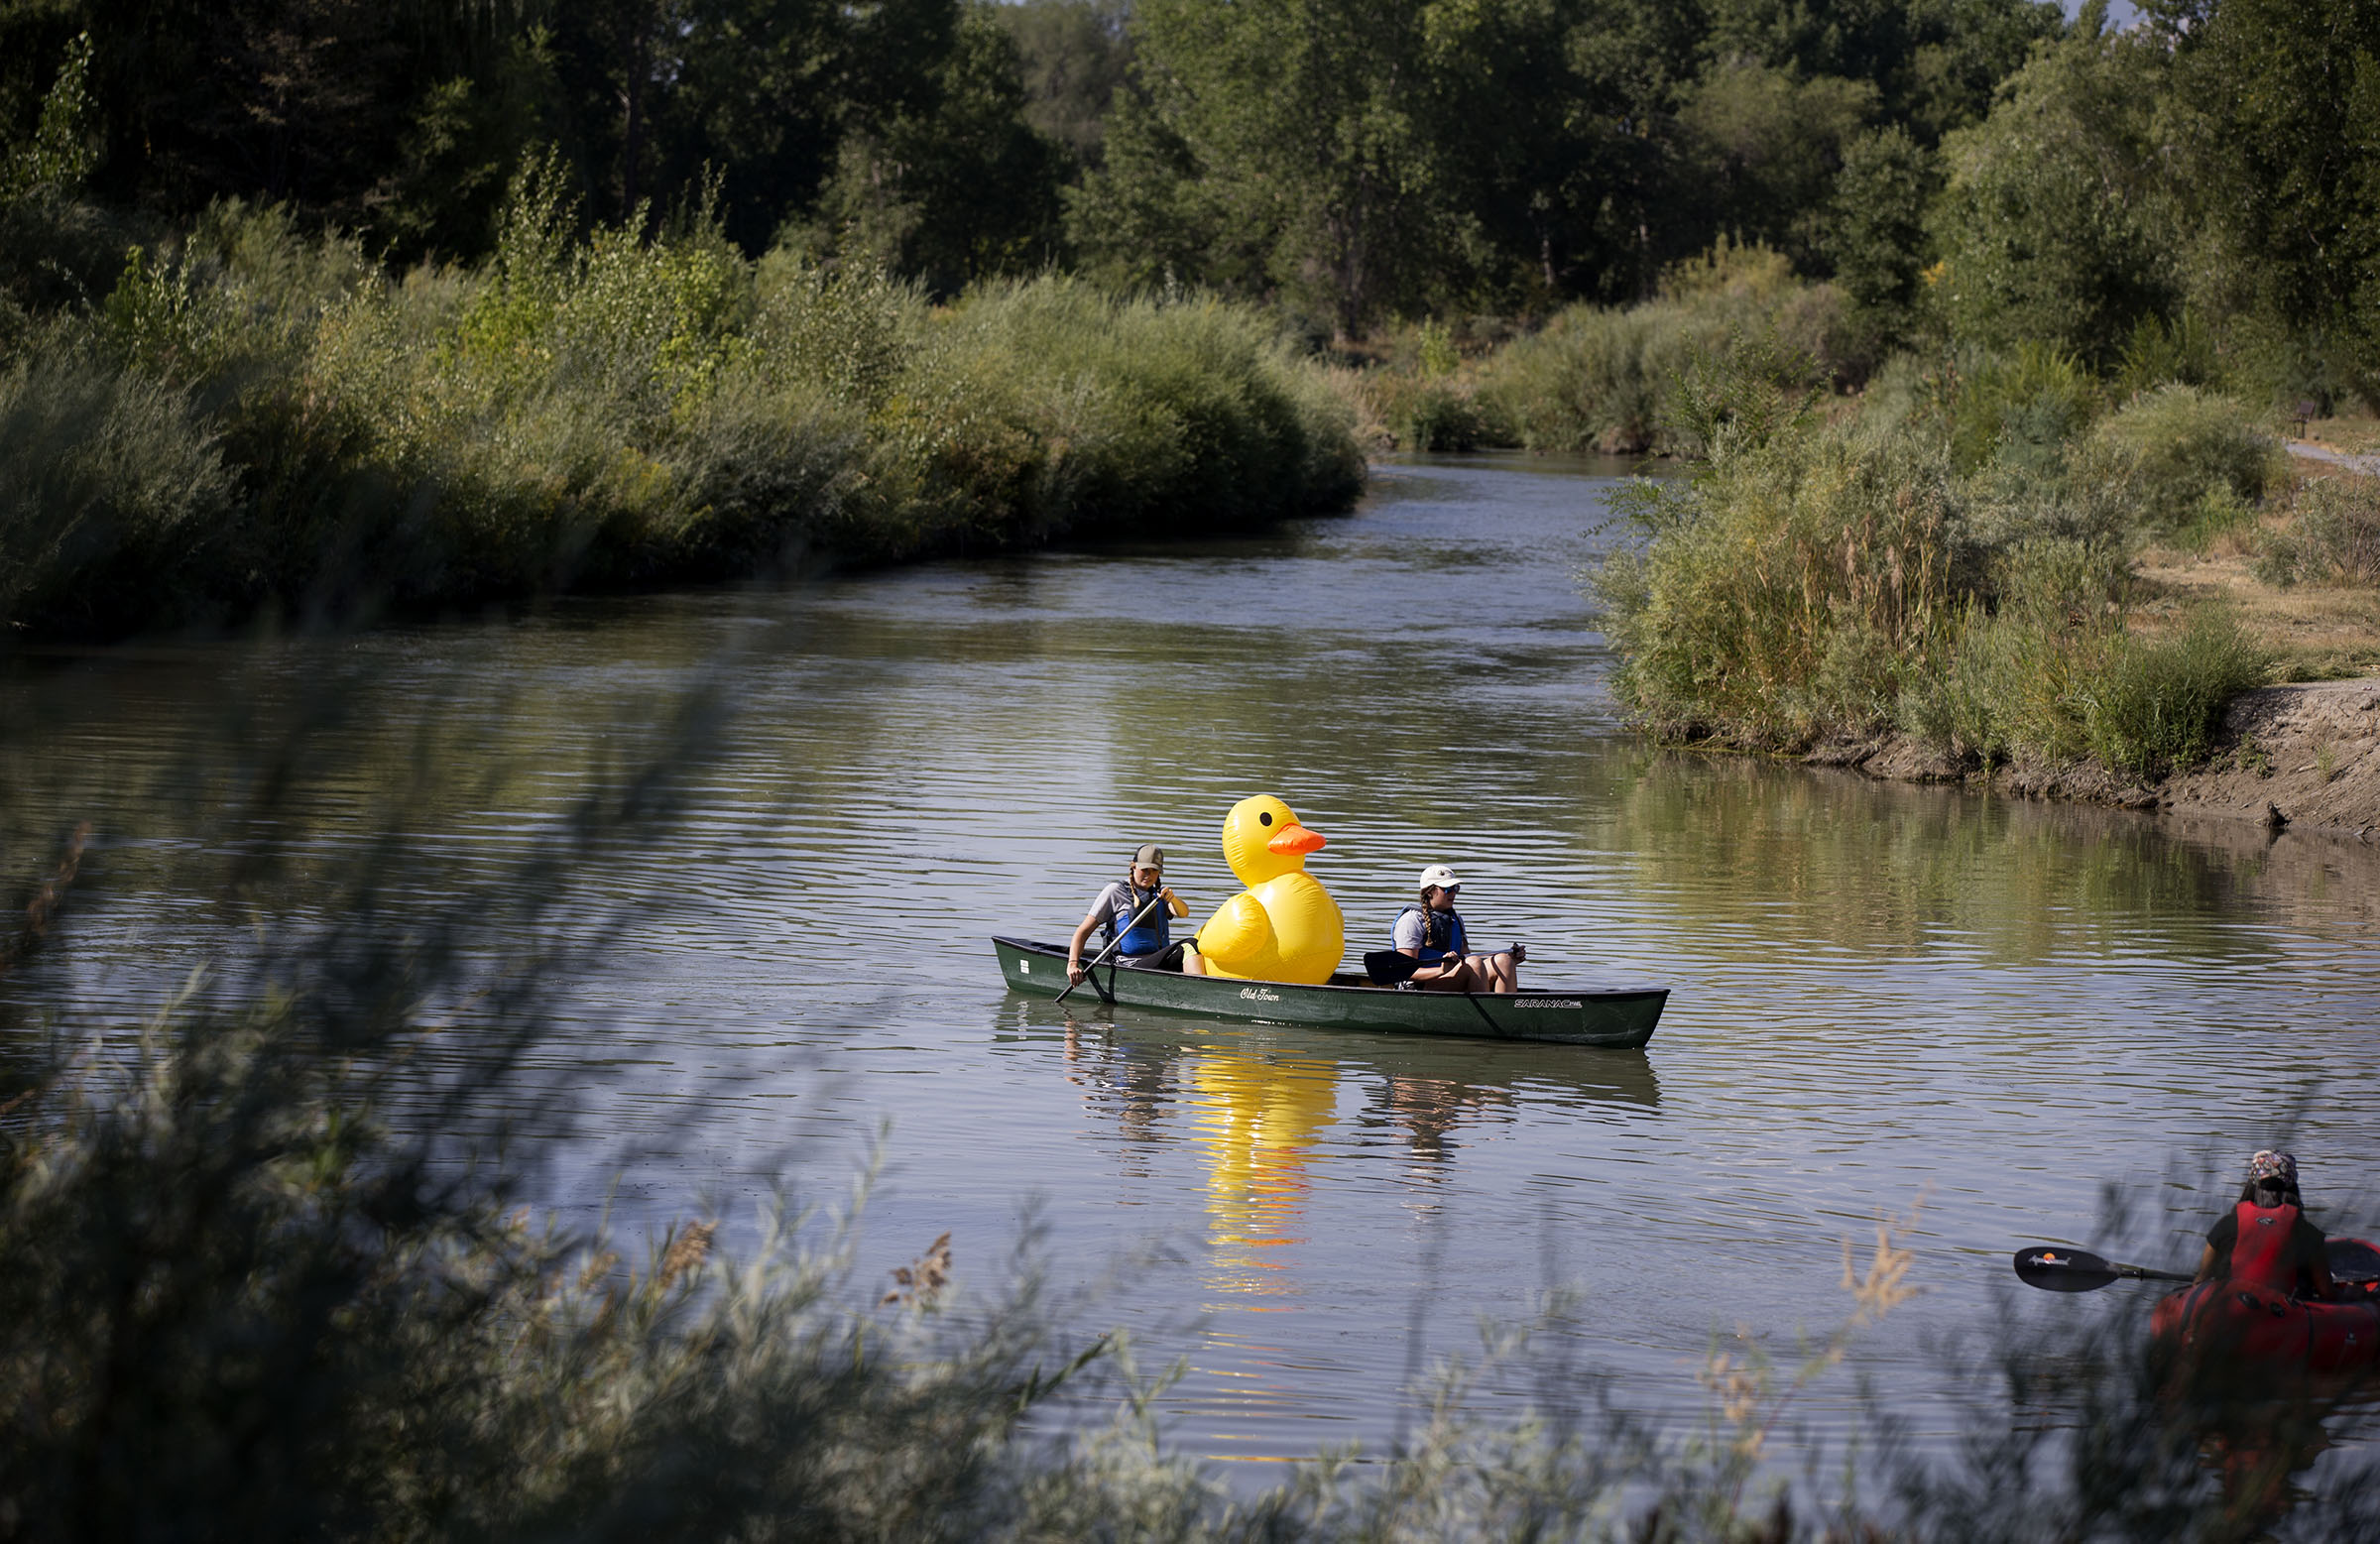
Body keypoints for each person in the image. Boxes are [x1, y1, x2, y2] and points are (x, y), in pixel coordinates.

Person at [2193, 1150, 2334, 1301]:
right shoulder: (2307, 1233)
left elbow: (2200, 1282)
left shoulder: (2226, 1226)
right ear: (2293, 1188)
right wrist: (2351, 1294)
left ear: (2252, 1185)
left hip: (2230, 1310)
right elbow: (2327, 1294)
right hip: (2284, 1315)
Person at [1364, 864, 1524, 993]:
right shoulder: (1411, 921)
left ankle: (1507, 1014)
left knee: (1504, 960)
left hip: (1448, 977)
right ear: (1430, 891)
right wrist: (1441, 970)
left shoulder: (1456, 919)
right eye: (1447, 889)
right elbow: (1406, 972)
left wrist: (1513, 960)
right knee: (1474, 963)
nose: (1453, 893)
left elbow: (1467, 959)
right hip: (1419, 987)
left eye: (1455, 888)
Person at [1068, 844, 1200, 983]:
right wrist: (1072, 964)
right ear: (1133, 866)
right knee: (1188, 945)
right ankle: (1202, 989)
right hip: (1129, 964)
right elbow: (1082, 932)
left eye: (1154, 871)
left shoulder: (1160, 895)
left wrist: (1173, 899)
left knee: (1196, 946)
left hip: (1157, 961)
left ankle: (1200, 983)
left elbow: (1184, 913)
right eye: (1145, 870)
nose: (1149, 876)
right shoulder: (1115, 892)